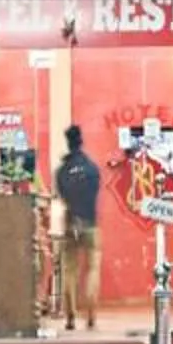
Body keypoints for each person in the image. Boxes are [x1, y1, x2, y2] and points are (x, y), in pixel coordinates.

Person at [55, 124, 103, 332]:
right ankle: (91, 314)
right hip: (90, 223)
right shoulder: (92, 168)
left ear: (67, 142)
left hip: (70, 222)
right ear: (81, 140)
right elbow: (95, 192)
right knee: (92, 268)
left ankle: (71, 317)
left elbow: (63, 196)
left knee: (69, 271)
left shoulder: (62, 171)